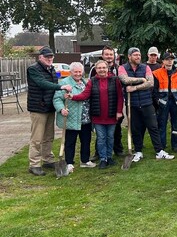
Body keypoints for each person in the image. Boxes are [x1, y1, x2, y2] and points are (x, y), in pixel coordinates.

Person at [118, 47, 174, 161]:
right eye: (135, 55)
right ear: (129, 57)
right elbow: (124, 80)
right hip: (132, 104)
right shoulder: (122, 68)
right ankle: (138, 151)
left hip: (147, 103)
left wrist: (135, 87)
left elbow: (150, 83)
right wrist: (142, 79)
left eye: (139, 55)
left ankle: (159, 151)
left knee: (153, 127)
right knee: (135, 129)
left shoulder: (145, 67)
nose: (138, 57)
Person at [26, 46, 72, 176]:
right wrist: (61, 86)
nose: (49, 59)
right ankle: (34, 164)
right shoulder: (33, 69)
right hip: (38, 108)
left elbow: (52, 89)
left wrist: (62, 97)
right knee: (37, 137)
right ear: (40, 57)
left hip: (49, 107)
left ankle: (47, 159)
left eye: (51, 56)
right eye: (47, 57)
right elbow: (42, 83)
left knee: (48, 136)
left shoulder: (51, 69)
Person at [71, 60, 124, 169]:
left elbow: (120, 97)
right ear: (96, 70)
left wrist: (119, 111)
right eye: (99, 68)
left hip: (112, 115)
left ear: (107, 68)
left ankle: (109, 157)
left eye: (104, 67)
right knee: (101, 138)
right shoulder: (92, 81)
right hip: (97, 116)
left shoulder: (115, 80)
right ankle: (103, 159)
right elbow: (85, 95)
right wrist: (73, 97)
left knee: (110, 137)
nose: (102, 70)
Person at [53, 62, 94, 174]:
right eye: (75, 72)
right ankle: (69, 162)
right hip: (71, 117)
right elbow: (57, 99)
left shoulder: (86, 82)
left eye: (80, 72)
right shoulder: (64, 83)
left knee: (86, 140)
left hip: (85, 118)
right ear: (70, 72)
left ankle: (85, 161)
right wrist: (61, 109)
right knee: (70, 141)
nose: (78, 74)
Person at [89, 45, 124, 158]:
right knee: (100, 133)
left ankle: (117, 149)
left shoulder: (119, 69)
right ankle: (98, 153)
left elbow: (121, 85)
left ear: (114, 56)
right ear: (102, 56)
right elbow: (90, 85)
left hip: (114, 104)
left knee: (116, 129)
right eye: (106, 54)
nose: (109, 57)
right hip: (99, 105)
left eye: (111, 54)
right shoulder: (95, 69)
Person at [153, 52, 177, 152]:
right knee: (162, 125)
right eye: (167, 59)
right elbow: (154, 90)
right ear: (163, 61)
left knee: (175, 125)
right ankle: (162, 146)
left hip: (176, 102)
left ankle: (175, 146)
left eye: (171, 59)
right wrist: (158, 100)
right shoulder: (157, 73)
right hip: (163, 102)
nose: (169, 61)